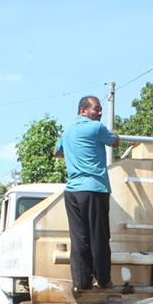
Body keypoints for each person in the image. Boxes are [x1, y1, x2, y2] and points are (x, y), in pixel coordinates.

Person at [53, 95, 119, 290]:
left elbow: (57, 152)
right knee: (98, 237)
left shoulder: (67, 132)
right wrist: (113, 133)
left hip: (72, 192)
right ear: (83, 110)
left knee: (79, 238)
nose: (100, 112)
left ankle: (82, 282)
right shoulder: (96, 128)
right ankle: (104, 280)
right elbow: (115, 141)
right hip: (94, 189)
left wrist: (77, 152)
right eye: (96, 109)